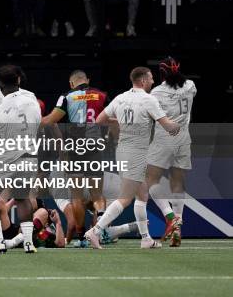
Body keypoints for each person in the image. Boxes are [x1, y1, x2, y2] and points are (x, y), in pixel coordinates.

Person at [85, 67, 180, 249]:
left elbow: (99, 120)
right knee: (126, 198)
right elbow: (168, 126)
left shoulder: (120, 98)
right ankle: (95, 231)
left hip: (124, 151)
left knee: (143, 194)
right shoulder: (148, 99)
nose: (153, 82)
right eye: (151, 78)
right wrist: (180, 125)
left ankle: (146, 239)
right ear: (143, 80)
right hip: (136, 153)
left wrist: (120, 122)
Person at [42, 69, 108, 247]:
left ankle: (81, 238)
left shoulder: (66, 97)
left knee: (77, 197)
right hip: (94, 147)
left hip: (75, 150)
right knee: (97, 195)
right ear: (87, 79)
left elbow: (51, 120)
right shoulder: (102, 95)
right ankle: (100, 228)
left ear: (71, 83)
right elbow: (110, 119)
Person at [0, 65, 42, 254]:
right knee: (23, 198)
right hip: (28, 157)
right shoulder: (33, 101)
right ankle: (28, 243)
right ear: (18, 80)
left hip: (4, 158)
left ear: (0, 84)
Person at [146, 57, 197, 247]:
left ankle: (170, 217)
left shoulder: (157, 92)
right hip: (184, 139)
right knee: (178, 182)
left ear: (162, 73)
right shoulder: (190, 85)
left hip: (163, 140)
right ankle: (178, 223)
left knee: (150, 180)